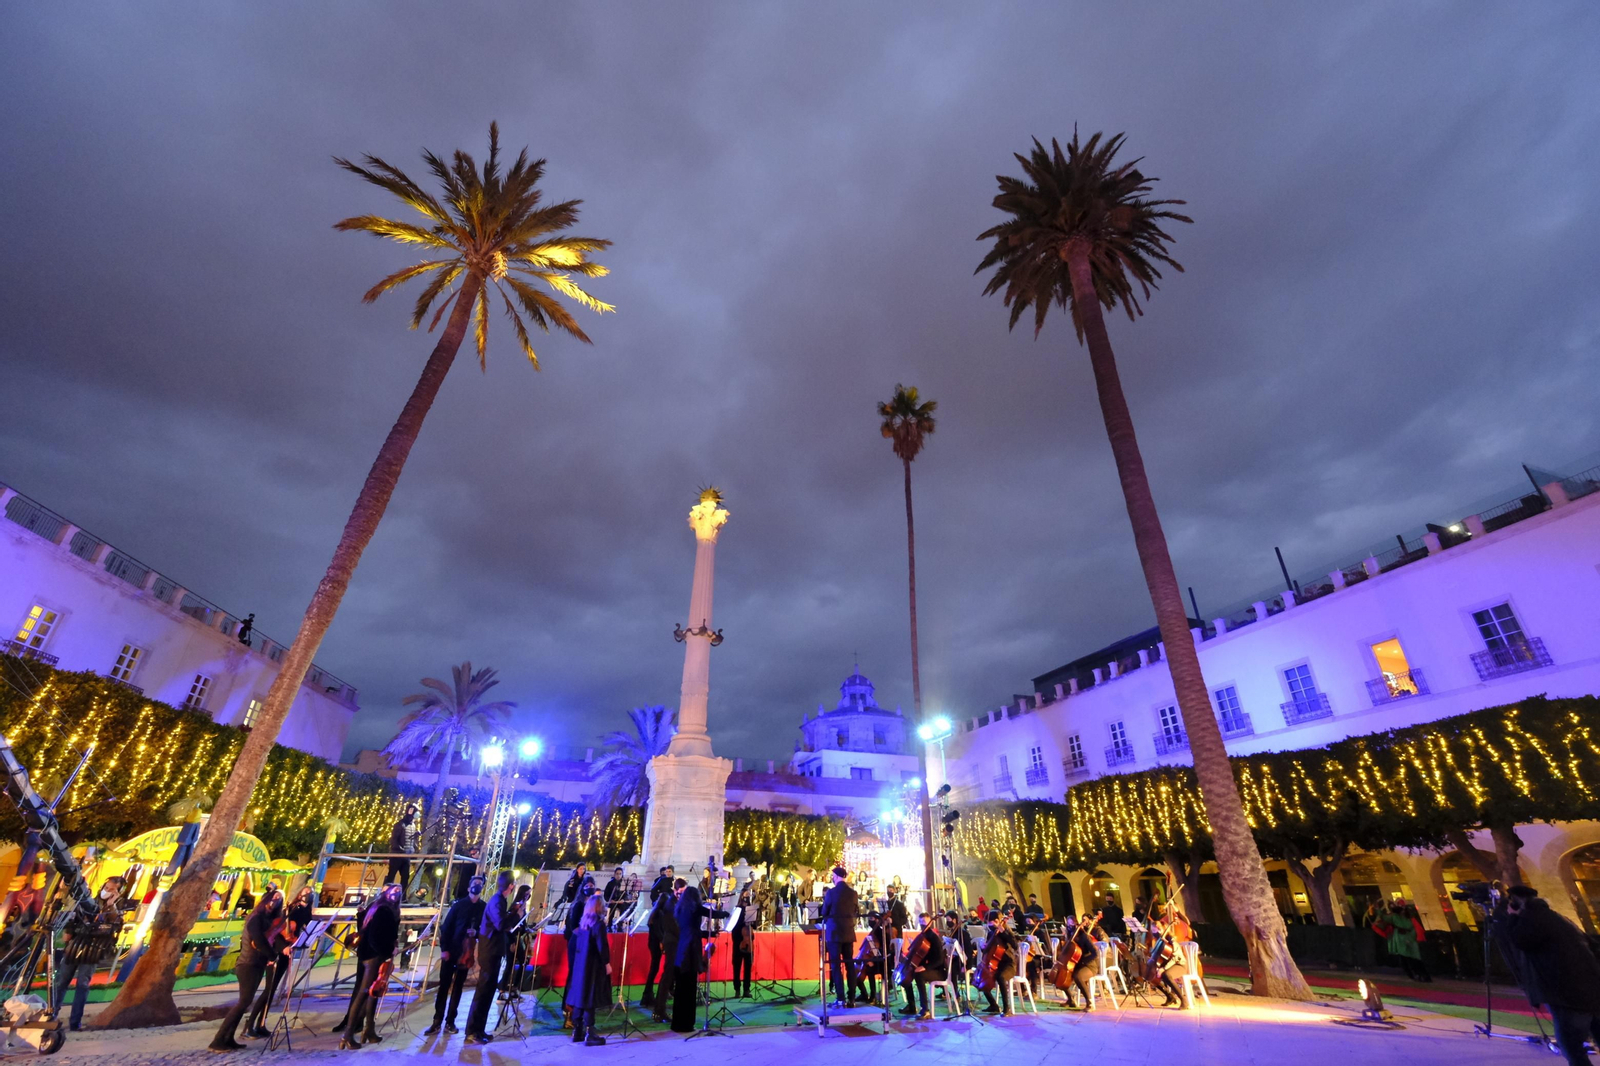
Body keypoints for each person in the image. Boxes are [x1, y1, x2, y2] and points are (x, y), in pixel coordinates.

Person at [1496, 885, 1600, 1066]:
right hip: (1589, 986)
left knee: (1570, 1044)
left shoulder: (1532, 920)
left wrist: (1511, 918)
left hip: (1565, 990)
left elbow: (1518, 940)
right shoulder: (1558, 918)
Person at [210, 885, 282, 1051]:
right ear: (265, 901)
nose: (274, 903)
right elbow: (258, 941)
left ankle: (228, 1038)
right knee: (243, 1002)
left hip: (257, 964)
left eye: (278, 901)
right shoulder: (255, 919)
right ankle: (219, 1039)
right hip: (248, 964)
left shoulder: (265, 920)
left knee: (246, 1002)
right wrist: (272, 955)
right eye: (272, 899)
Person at [54, 877, 124, 1033]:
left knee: (82, 985)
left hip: (94, 949)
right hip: (75, 945)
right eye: (107, 887)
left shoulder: (118, 906)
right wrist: (68, 934)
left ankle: (75, 1022)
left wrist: (112, 904)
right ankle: (51, 1015)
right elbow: (75, 919)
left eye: (112, 889)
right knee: (61, 982)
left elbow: (116, 923)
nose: (107, 891)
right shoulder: (89, 902)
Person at [246, 885, 314, 1037]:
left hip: (287, 951)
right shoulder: (289, 910)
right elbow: (276, 932)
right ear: (299, 893)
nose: (307, 894)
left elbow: (306, 926)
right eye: (305, 892)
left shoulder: (304, 911)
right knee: (268, 990)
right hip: (277, 951)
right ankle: (249, 1024)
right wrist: (283, 946)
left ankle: (261, 1023)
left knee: (272, 989)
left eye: (310, 893)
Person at [340, 882, 401, 1049]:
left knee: (373, 993)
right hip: (373, 955)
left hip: (372, 953)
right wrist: (388, 951)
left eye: (399, 892)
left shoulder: (383, 908)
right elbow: (374, 936)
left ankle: (369, 1030)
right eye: (393, 891)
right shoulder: (383, 909)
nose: (396, 894)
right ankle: (348, 1035)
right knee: (364, 993)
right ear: (386, 893)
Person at [424, 875, 485, 1036]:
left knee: (458, 988)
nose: (477, 886)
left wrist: (476, 932)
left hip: (467, 953)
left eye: (480, 884)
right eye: (475, 884)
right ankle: (436, 1021)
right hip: (452, 950)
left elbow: (484, 929)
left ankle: (450, 1021)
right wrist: (444, 949)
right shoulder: (458, 905)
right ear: (468, 887)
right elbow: (446, 928)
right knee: (444, 987)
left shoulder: (482, 907)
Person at [463, 871, 515, 1045]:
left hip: (494, 950)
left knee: (488, 992)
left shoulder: (499, 900)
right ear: (511, 886)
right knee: (483, 992)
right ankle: (472, 1031)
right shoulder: (497, 901)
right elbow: (500, 924)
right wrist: (515, 913)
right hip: (489, 951)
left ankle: (479, 1029)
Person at [670, 884, 728, 1032]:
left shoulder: (681, 909)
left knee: (680, 990)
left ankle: (677, 1023)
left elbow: (692, 929)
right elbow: (711, 914)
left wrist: (709, 934)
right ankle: (687, 1024)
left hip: (681, 951)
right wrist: (726, 914)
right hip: (690, 952)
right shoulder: (695, 908)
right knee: (689, 990)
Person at [565, 895, 612, 1046]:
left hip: (580, 965)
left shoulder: (583, 923)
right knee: (590, 998)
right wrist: (607, 963)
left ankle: (577, 1031)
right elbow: (602, 946)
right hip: (592, 966)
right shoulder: (598, 924)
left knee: (580, 997)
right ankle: (590, 1032)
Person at [820, 866, 860, 1008]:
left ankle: (841, 998)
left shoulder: (831, 893)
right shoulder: (853, 893)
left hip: (834, 933)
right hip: (849, 933)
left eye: (833, 875)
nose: (832, 877)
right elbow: (856, 911)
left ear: (836, 877)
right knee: (850, 965)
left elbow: (825, 911)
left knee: (836, 966)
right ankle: (852, 999)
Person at [898, 913, 950, 1020]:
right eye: (920, 922)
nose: (922, 925)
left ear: (930, 922)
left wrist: (925, 967)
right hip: (927, 967)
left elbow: (940, 960)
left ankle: (925, 1009)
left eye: (924, 922)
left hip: (937, 971)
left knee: (919, 975)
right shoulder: (923, 935)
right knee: (907, 973)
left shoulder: (933, 937)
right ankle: (912, 1006)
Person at [649, 879, 685, 1023]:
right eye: (681, 892)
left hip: (674, 942)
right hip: (672, 944)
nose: (683, 895)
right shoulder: (670, 905)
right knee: (667, 976)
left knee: (669, 977)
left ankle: (660, 1008)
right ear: (676, 891)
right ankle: (659, 1010)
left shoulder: (675, 903)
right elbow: (674, 927)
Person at [1373, 899, 1428, 981]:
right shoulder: (1396, 917)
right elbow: (1384, 918)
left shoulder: (1405, 917)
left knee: (1412, 958)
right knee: (1408, 958)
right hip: (1403, 939)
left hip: (1407, 938)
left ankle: (1419, 975)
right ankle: (1417, 975)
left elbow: (1415, 928)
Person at [978, 914, 1020, 1015]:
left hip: (1008, 964)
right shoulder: (991, 932)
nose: (988, 925)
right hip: (995, 963)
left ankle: (1007, 1008)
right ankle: (993, 1005)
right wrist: (983, 946)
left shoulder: (1006, 930)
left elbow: (1015, 945)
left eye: (990, 922)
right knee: (983, 978)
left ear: (997, 920)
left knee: (1000, 977)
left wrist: (1003, 932)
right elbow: (987, 950)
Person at [386, 805, 419, 889]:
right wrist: (400, 849)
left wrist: (413, 846)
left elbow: (410, 840)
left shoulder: (413, 826)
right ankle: (385, 895)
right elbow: (394, 840)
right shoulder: (400, 825)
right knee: (391, 876)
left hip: (406, 856)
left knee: (405, 877)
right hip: (397, 855)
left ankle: (403, 897)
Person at [730, 887, 755, 997]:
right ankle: (737, 989)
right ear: (741, 897)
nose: (747, 899)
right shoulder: (737, 909)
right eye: (745, 896)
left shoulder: (752, 909)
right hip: (738, 940)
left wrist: (752, 920)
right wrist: (744, 923)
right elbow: (734, 926)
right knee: (737, 966)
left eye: (748, 897)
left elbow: (755, 925)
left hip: (749, 941)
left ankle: (746, 989)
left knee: (748, 966)